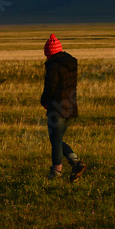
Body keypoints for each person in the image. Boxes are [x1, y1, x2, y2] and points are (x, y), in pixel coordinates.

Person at [41, 34, 87, 181]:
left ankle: (56, 172)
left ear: (49, 53)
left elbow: (50, 88)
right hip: (71, 107)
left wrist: (44, 101)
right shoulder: (71, 64)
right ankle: (75, 163)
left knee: (55, 141)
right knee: (57, 139)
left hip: (57, 108)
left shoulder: (53, 67)